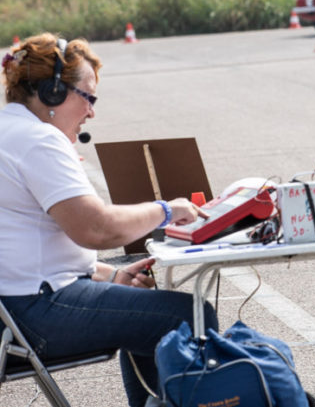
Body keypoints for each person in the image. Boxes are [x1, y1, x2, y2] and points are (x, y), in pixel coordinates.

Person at [0, 33, 216, 407]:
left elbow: (27, 241)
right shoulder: (39, 141)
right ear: (53, 92)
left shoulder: (10, 131)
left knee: (148, 312)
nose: (92, 112)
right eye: (88, 97)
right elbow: (97, 228)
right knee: (188, 315)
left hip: (15, 307)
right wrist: (166, 209)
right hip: (33, 313)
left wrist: (111, 275)